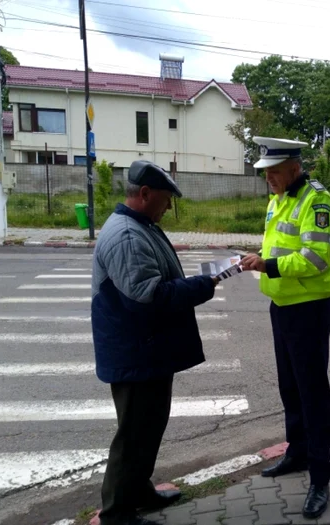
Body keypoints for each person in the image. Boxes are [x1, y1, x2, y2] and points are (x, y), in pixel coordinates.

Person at [91, 160, 219, 525]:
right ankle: (116, 513)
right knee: (133, 435)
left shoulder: (139, 225)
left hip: (146, 348)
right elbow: (147, 295)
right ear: (144, 194)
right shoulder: (128, 235)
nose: (168, 208)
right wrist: (203, 285)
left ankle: (138, 492)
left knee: (147, 429)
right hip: (136, 351)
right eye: (165, 200)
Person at [240, 137, 330, 519]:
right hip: (281, 305)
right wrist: (257, 259)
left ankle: (319, 475)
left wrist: (268, 266)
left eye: (274, 172)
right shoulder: (279, 198)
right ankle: (297, 453)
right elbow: (278, 245)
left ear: (294, 167)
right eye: (265, 173)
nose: (268, 179)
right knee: (290, 388)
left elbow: (315, 258)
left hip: (308, 308)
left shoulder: (317, 201)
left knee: (312, 392)